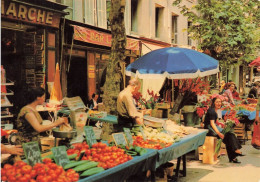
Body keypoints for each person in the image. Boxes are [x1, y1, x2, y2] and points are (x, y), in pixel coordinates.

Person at [204, 97, 244, 163]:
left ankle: (234, 155)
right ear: (213, 103)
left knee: (229, 135)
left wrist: (221, 124)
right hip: (210, 129)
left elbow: (214, 121)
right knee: (228, 136)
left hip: (213, 126)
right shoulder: (212, 111)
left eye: (220, 102)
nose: (219, 103)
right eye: (217, 102)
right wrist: (219, 133)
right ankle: (235, 153)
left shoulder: (214, 110)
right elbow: (212, 123)